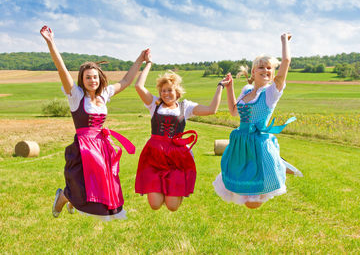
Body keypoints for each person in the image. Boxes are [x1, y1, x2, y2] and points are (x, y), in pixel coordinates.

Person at [40, 25, 144, 221]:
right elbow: (61, 68)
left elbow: (127, 80)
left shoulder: (105, 94)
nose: (92, 80)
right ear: (82, 79)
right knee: (79, 185)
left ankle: (72, 201)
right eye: (88, 77)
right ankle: (62, 199)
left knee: (101, 183)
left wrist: (140, 59)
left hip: (101, 145)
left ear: (100, 78)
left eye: (95, 77)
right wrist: (51, 42)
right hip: (83, 147)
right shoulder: (75, 95)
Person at [213, 33, 302, 209]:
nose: (266, 70)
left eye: (269, 68)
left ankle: (278, 165)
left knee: (253, 202)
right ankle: (280, 164)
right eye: (261, 67)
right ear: (254, 72)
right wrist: (229, 88)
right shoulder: (246, 90)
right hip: (240, 141)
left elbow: (286, 62)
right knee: (240, 187)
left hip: (258, 144)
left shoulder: (271, 93)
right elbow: (233, 111)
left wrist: (284, 40)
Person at [134, 49, 230, 212]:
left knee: (172, 207)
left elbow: (212, 109)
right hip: (154, 155)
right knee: (155, 205)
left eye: (169, 90)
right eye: (163, 90)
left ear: (177, 92)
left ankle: (175, 195)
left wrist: (220, 86)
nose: (166, 93)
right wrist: (148, 63)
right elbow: (138, 86)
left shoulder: (186, 107)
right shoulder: (154, 104)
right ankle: (164, 192)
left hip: (176, 157)